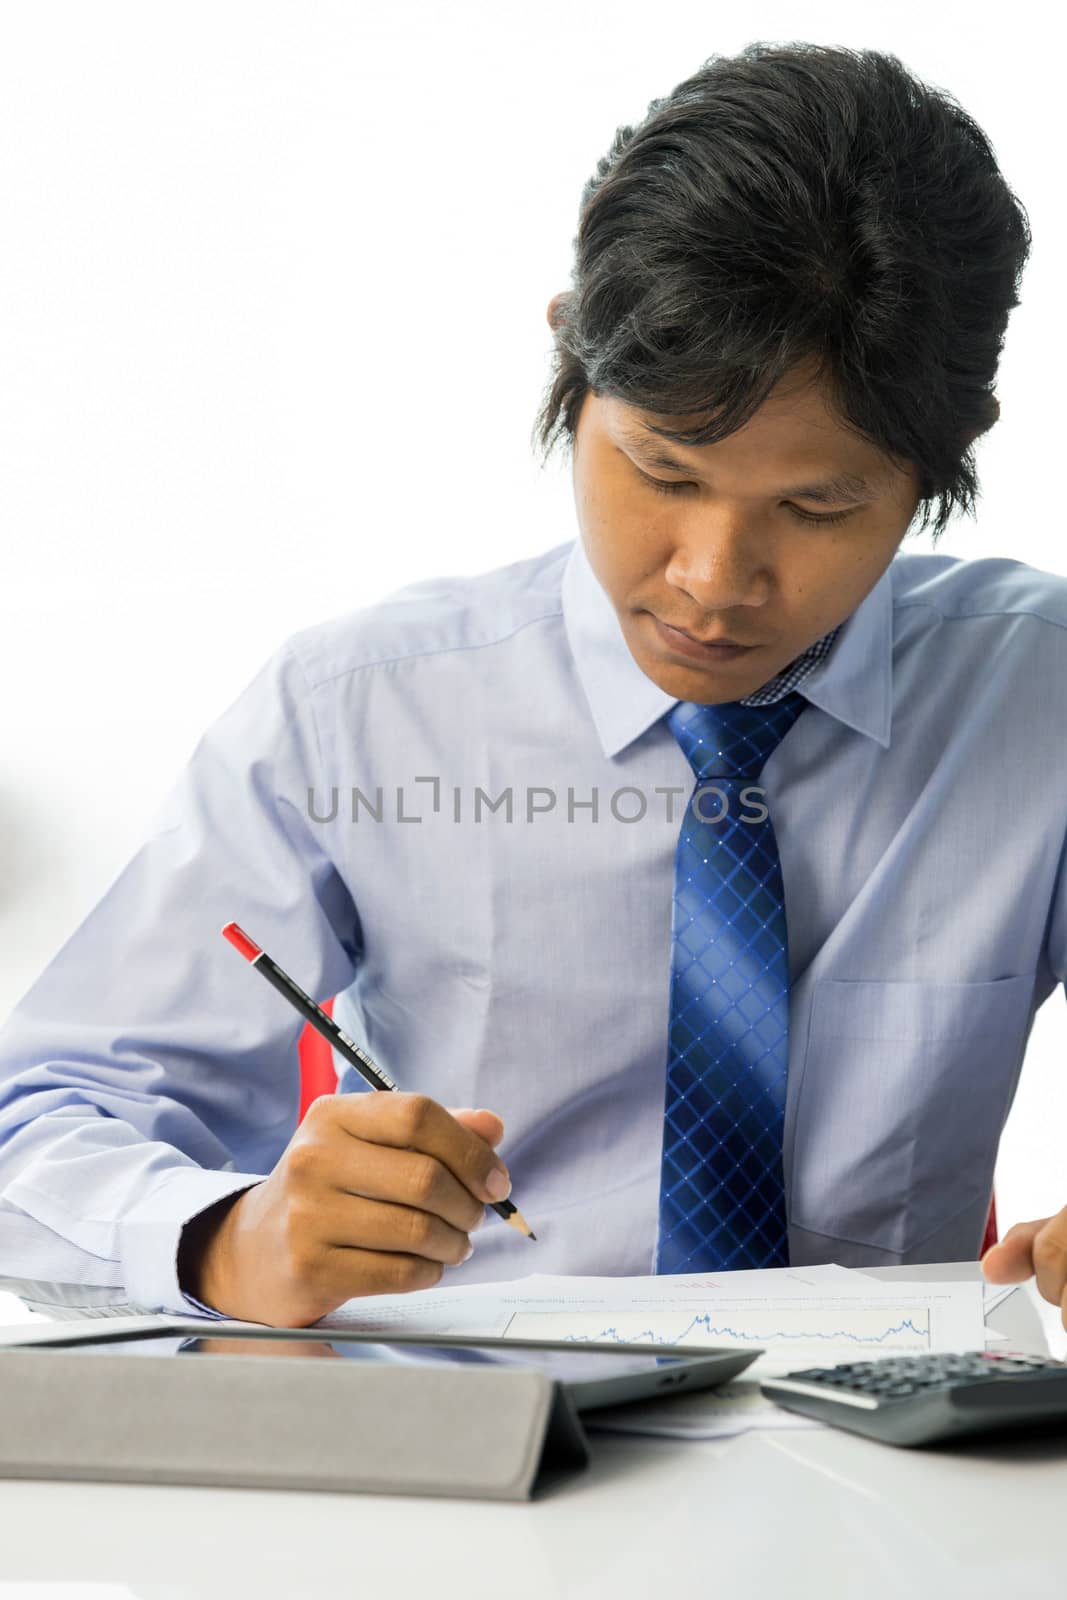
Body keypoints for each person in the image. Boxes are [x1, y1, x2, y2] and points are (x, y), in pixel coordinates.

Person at [0, 42, 1059, 1331]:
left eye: (818, 505)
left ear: (951, 455)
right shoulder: (361, 712)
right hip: (479, 1446)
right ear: (573, 361)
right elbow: (41, 1122)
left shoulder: (1037, 699)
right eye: (663, 473)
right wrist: (228, 1240)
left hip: (898, 1466)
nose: (716, 579)